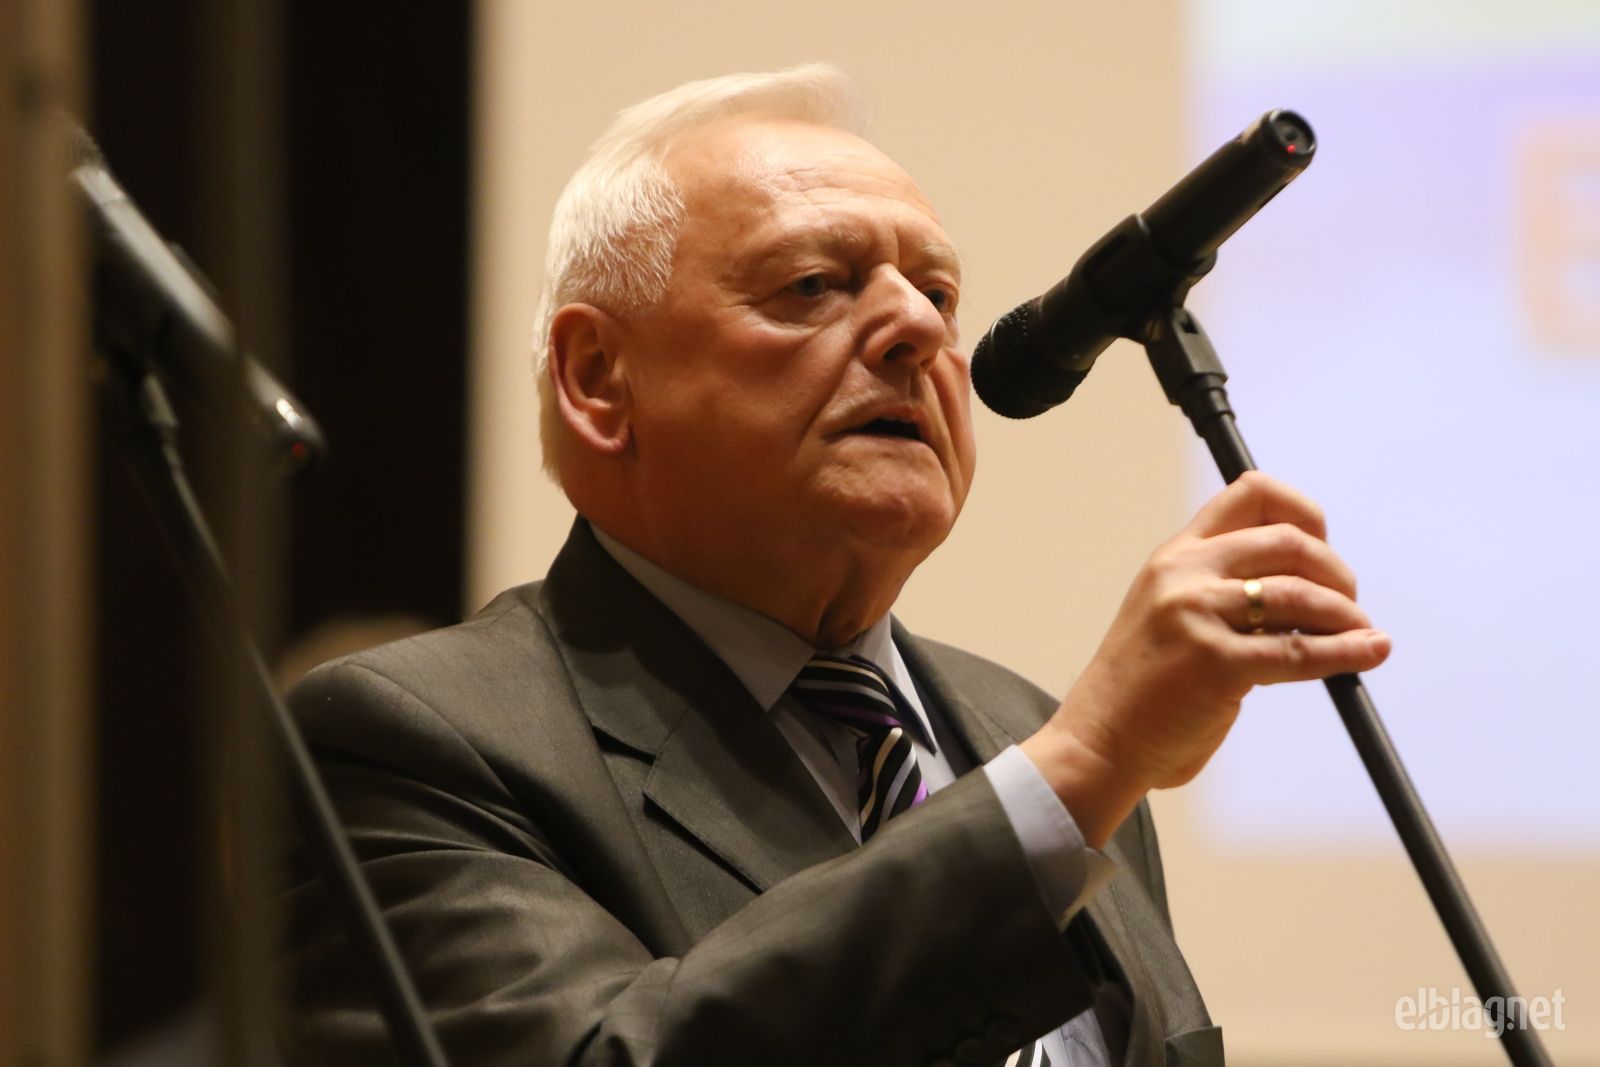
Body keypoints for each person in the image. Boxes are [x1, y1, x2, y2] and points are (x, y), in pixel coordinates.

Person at [281, 65, 1389, 1066]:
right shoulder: (405, 742)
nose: (918, 328)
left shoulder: (1022, 726)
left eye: (939, 295)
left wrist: (1075, 765)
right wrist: (1081, 766)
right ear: (599, 377)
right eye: (814, 283)